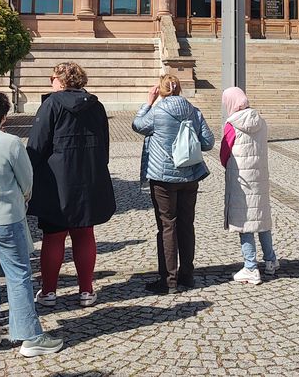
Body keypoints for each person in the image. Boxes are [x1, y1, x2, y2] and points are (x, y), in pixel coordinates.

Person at [0, 92, 64, 357]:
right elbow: (26, 180)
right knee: (18, 275)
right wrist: (23, 198)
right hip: (5, 217)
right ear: (4, 118)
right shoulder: (11, 143)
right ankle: (30, 336)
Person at [27, 62, 115, 308]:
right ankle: (86, 290)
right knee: (84, 233)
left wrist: (28, 176)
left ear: (60, 80)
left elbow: (36, 145)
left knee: (53, 237)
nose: (51, 82)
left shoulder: (51, 104)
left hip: (56, 181)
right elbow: (105, 145)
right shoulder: (96, 105)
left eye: (52, 77)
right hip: (88, 178)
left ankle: (48, 292)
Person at [132, 74, 214, 295]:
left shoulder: (157, 112)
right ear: (179, 90)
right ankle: (187, 275)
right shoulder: (194, 111)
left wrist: (148, 103)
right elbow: (208, 142)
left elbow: (137, 125)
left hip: (163, 178)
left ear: (160, 90)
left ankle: (168, 280)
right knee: (187, 224)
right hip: (190, 175)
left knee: (167, 226)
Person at [219, 87, 277, 286]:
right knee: (261, 219)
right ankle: (271, 260)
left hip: (242, 180)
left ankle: (251, 267)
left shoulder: (231, 124)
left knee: (245, 222)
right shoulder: (260, 121)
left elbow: (224, 153)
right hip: (259, 176)